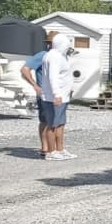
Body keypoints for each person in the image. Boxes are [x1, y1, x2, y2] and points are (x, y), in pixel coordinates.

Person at [38, 32, 76, 161]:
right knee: (52, 124)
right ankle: (51, 151)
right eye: (66, 45)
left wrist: (70, 88)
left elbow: (66, 74)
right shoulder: (53, 56)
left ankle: (60, 149)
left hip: (64, 95)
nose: (68, 47)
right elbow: (52, 76)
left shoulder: (62, 56)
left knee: (60, 123)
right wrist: (57, 94)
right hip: (53, 97)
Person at [20, 31, 57, 159]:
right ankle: (45, 147)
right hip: (45, 93)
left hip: (57, 93)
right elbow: (25, 69)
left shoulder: (60, 56)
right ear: (49, 44)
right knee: (46, 120)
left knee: (55, 120)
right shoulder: (42, 55)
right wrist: (35, 85)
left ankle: (53, 147)